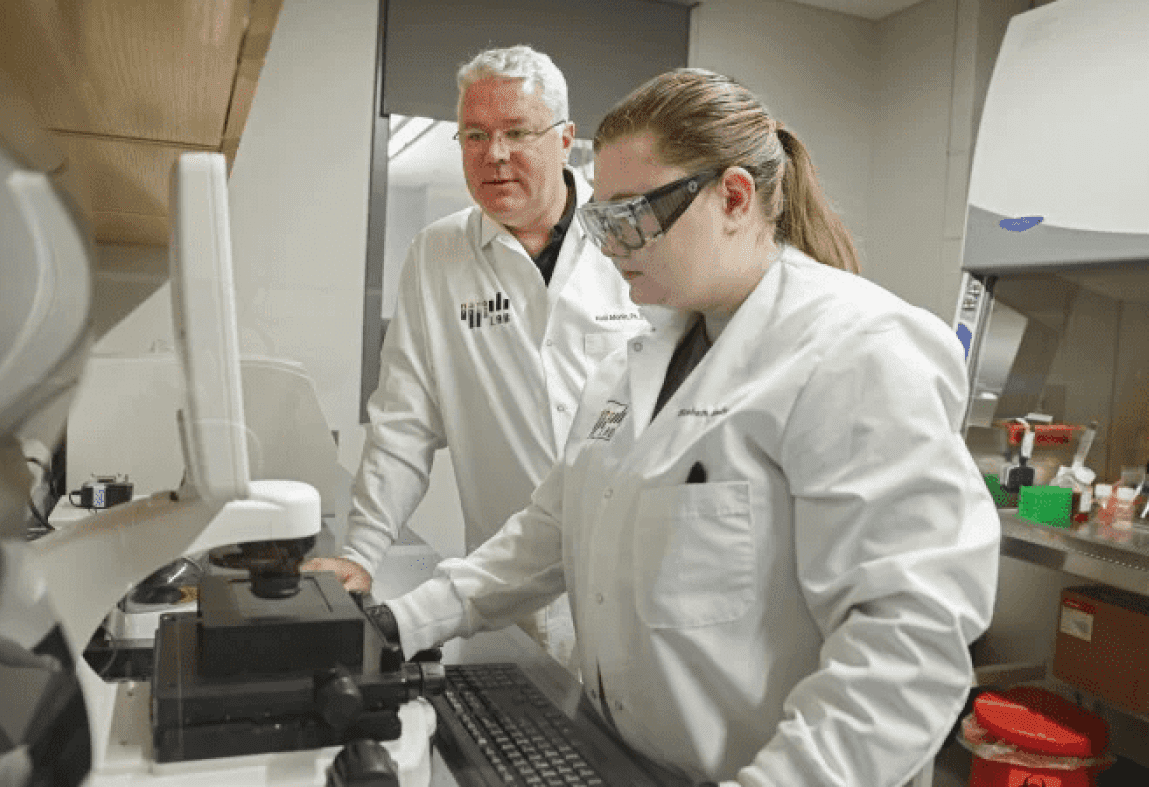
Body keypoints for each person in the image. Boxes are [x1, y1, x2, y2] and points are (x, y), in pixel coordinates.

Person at [376, 69, 1001, 786]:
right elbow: (549, 532)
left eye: (634, 217)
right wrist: (404, 622)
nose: (611, 247)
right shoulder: (636, 362)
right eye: (602, 221)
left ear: (734, 197)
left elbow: (908, 648)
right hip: (621, 760)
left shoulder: (858, 350)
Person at [302, 46, 646, 672]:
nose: (495, 154)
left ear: (565, 138)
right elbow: (403, 424)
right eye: (475, 135)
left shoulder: (632, 238)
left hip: (635, 582)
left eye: (517, 132)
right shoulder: (438, 255)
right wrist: (360, 553)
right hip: (506, 590)